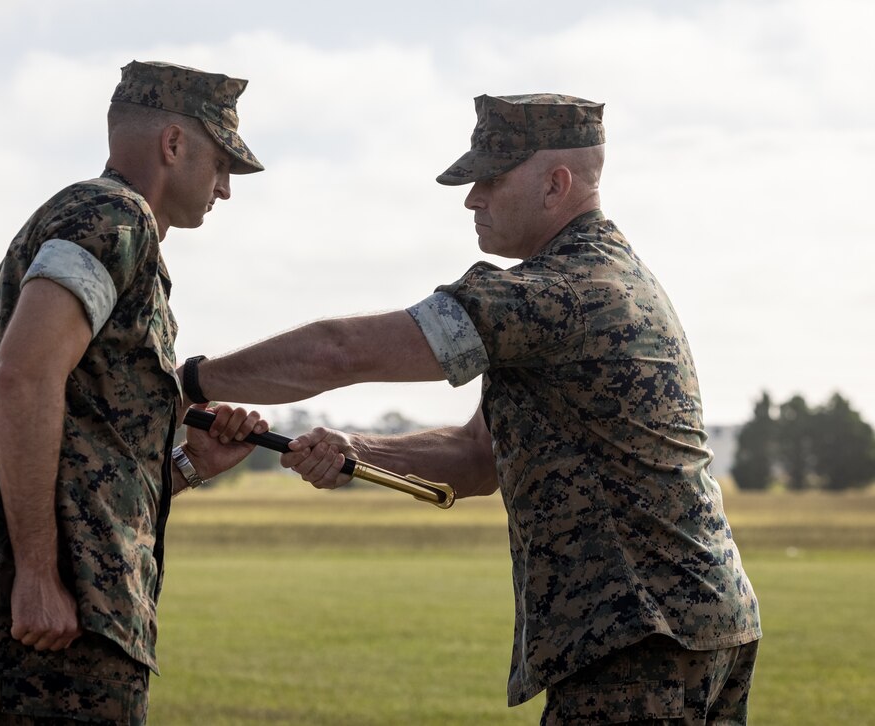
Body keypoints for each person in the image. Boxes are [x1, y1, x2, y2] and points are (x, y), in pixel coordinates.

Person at [181, 94, 761, 724]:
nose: (471, 198)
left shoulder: (554, 293)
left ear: (555, 185)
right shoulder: (610, 278)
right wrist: (360, 450)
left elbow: (340, 352)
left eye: (490, 179)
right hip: (694, 624)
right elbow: (477, 457)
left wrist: (189, 379)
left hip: (643, 636)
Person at [0, 60, 269, 725]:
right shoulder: (114, 216)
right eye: (222, 162)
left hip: (65, 611)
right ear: (173, 145)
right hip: (57, 621)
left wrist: (182, 464)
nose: (226, 188)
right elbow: (25, 376)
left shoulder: (100, 225)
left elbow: (86, 441)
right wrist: (38, 573)